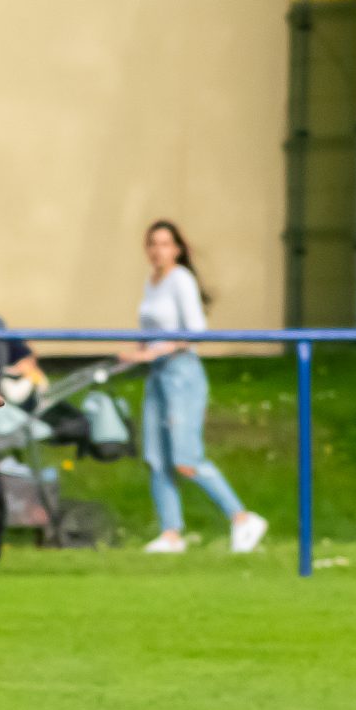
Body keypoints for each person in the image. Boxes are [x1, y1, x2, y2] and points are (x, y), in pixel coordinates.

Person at [125, 219, 267, 555]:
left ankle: (242, 518)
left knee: (185, 458)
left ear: (177, 249)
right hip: (157, 374)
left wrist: (155, 351)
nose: (158, 251)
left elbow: (195, 332)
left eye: (164, 244)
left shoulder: (181, 280)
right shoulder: (151, 282)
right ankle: (171, 533)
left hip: (182, 374)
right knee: (156, 458)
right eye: (152, 244)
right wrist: (137, 353)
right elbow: (150, 330)